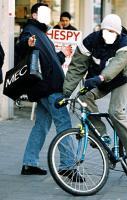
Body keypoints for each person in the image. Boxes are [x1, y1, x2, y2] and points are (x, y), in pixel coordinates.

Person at [57, 14, 127, 175]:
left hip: (122, 79)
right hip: (99, 80)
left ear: (118, 33)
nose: (108, 34)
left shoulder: (125, 42)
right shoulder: (90, 41)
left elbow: (117, 64)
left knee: (115, 111)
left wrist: (101, 77)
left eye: (112, 31)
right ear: (100, 29)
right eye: (106, 30)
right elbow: (76, 67)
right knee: (84, 98)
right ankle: (102, 134)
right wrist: (66, 93)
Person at [16, 3, 76, 177]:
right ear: (34, 15)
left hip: (45, 87)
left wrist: (63, 53)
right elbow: (21, 46)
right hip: (49, 88)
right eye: (43, 13)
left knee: (41, 125)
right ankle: (68, 166)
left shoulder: (42, 33)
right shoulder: (30, 31)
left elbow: (49, 63)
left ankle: (29, 163)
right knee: (64, 123)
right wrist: (27, 43)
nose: (47, 16)